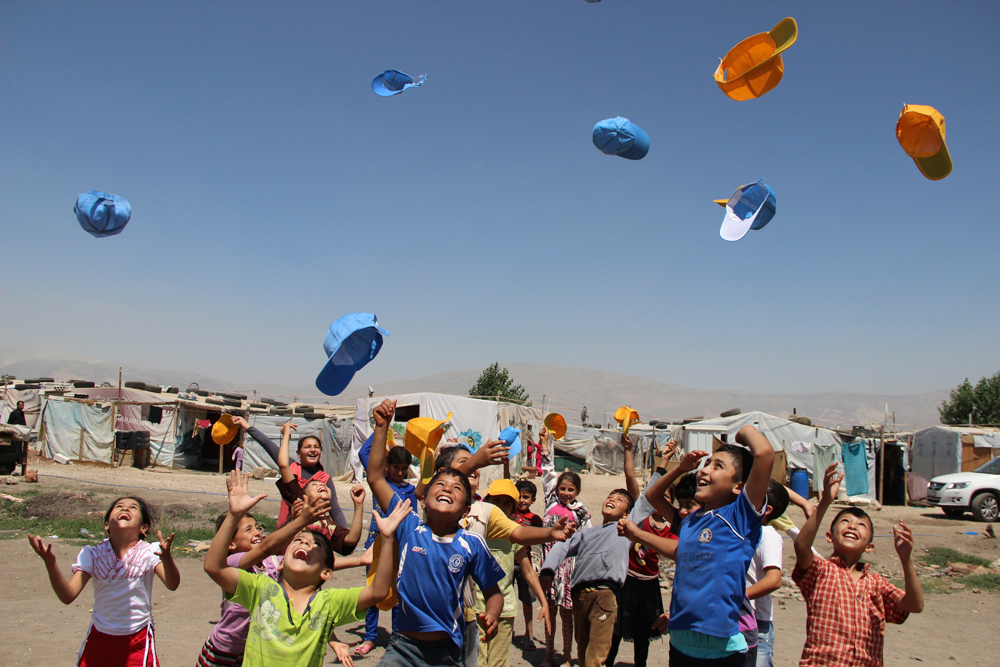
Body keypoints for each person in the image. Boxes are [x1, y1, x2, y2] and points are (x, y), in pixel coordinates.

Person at [205, 470, 407, 667]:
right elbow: (214, 567)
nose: (305, 544)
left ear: (326, 573)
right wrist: (233, 515)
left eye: (316, 545)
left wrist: (387, 539)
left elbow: (378, 592)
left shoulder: (328, 602)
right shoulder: (260, 589)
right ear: (281, 561)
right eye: (299, 540)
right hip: (221, 650)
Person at [366, 399, 506, 667]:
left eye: (457, 488)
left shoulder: (472, 544)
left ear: (466, 509)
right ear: (423, 498)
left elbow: (493, 592)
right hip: (402, 647)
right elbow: (375, 477)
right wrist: (381, 427)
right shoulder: (408, 526)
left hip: (447, 650)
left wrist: (492, 614)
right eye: (439, 483)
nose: (446, 488)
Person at [648, 426, 774, 666]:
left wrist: (745, 432)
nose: (704, 470)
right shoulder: (690, 522)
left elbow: (765, 454)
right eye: (706, 464)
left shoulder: (740, 518)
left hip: (722, 650)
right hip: (680, 644)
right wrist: (681, 468)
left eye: (718, 466)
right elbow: (652, 497)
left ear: (739, 486)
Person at [198, 491, 356, 667]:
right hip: (223, 648)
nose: (257, 532)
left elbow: (313, 564)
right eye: (248, 530)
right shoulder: (233, 562)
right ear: (231, 544)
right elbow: (267, 547)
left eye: (258, 527)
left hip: (250, 649)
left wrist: (361, 560)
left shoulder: (271, 564)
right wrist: (299, 522)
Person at [793, 463, 924, 667]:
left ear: (869, 547)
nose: (853, 526)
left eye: (861, 525)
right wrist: (826, 500)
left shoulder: (877, 584)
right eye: (845, 522)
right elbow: (802, 545)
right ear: (829, 537)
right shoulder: (821, 571)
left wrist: (906, 560)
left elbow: (914, 605)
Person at [28, 496, 180, 666]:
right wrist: (50, 563)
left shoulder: (149, 552)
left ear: (143, 528)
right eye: (119, 506)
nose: (125, 509)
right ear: (106, 525)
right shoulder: (93, 554)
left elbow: (172, 584)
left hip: (137, 641)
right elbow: (67, 595)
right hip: (99, 639)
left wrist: (167, 559)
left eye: (133, 507)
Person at [538, 464, 652, 667]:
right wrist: (547, 570)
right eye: (610, 497)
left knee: (594, 659)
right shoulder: (586, 533)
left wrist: (663, 468)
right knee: (583, 657)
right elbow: (562, 547)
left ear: (627, 514)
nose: (612, 500)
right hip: (579, 597)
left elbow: (648, 499)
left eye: (619, 500)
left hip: (603, 596)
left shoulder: (624, 530)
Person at [605, 438, 680, 667]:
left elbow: (673, 552)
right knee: (616, 630)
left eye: (667, 498)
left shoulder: (672, 531)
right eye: (659, 496)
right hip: (626, 581)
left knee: (643, 635)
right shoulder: (640, 516)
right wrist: (629, 450)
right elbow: (630, 477)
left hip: (649, 585)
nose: (661, 501)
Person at [476, 478, 552, 667]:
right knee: (475, 659)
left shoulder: (513, 535)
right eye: (496, 501)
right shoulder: (475, 531)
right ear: (486, 503)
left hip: (505, 609)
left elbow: (528, 571)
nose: (500, 507)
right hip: (476, 608)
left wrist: (543, 602)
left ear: (513, 509)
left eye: (507, 503)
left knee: (498, 661)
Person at [355, 437, 418, 657]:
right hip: (377, 545)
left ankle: (397, 637)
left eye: (403, 468)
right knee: (374, 592)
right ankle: (370, 637)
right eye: (395, 467)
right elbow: (365, 453)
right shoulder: (380, 484)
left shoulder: (411, 491)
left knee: (399, 594)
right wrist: (381, 429)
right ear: (387, 466)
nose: (399, 472)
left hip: (401, 547)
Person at [539, 426, 592, 667]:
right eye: (562, 489)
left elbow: (588, 540)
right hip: (549, 566)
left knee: (567, 615)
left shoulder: (581, 513)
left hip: (569, 570)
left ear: (577, 491)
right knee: (549, 611)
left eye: (570, 490)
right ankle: (549, 655)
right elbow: (548, 471)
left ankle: (568, 657)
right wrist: (545, 443)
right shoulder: (550, 502)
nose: (565, 493)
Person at [233, 416, 347, 528]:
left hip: (313, 535)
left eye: (316, 447)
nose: (313, 450)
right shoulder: (290, 467)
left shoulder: (325, 479)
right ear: (298, 453)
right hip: (286, 529)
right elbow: (266, 442)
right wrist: (244, 424)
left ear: (320, 452)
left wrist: (346, 538)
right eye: (307, 447)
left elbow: (335, 510)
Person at [745, 481, 790, 667]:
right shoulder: (739, 530)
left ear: (766, 509)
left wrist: (738, 597)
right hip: (736, 616)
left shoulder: (768, 535)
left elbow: (773, 580)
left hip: (757, 623)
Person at [513, 479, 544, 648]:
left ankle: (529, 634)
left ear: (533, 500)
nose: (522, 500)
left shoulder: (535, 520)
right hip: (508, 562)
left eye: (526, 497)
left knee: (526, 600)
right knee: (505, 597)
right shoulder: (509, 514)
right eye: (519, 496)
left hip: (525, 564)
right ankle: (506, 630)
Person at [7, 400, 28, 475]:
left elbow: (23, 422)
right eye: (20, 405)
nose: (22, 407)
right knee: (15, 447)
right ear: (17, 406)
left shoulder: (22, 413)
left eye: (23, 406)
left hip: (20, 434)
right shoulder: (13, 413)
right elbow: (9, 423)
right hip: (15, 434)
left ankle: (19, 460)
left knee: (20, 447)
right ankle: (14, 461)